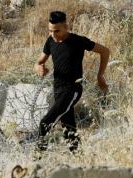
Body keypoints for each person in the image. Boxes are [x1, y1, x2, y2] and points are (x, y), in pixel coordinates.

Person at [34, 11, 110, 152]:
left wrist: (100, 76)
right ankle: (79, 159)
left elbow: (105, 51)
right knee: (68, 129)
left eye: (57, 31)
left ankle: (36, 160)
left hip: (72, 90)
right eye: (50, 31)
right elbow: (39, 62)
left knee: (45, 123)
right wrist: (40, 67)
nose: (53, 35)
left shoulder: (78, 41)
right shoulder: (50, 41)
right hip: (57, 90)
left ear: (66, 27)